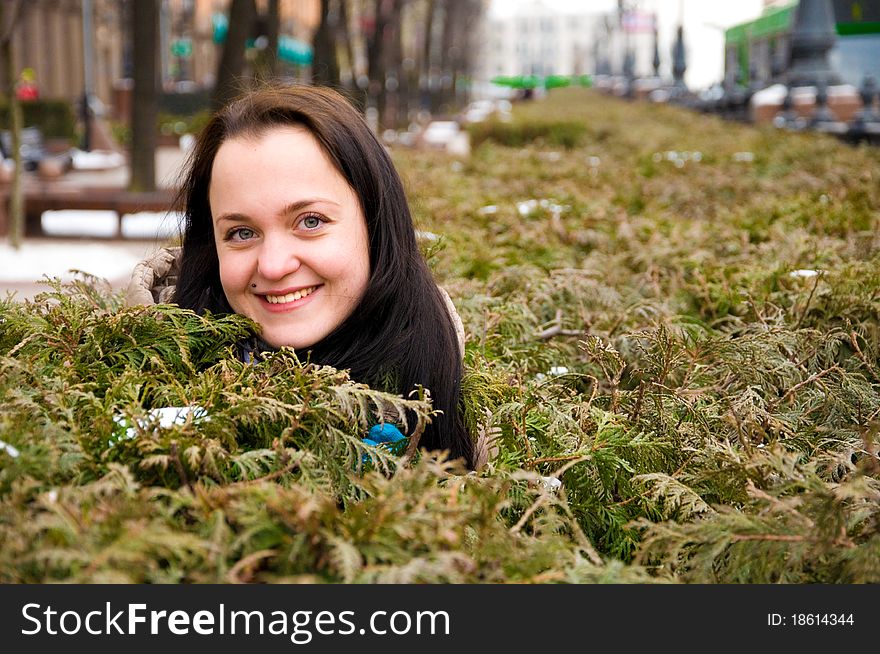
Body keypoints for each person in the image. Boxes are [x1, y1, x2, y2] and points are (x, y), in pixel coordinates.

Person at [127, 84, 474, 469]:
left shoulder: (468, 409)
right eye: (241, 233)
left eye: (310, 221)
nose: (274, 266)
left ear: (375, 225)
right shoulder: (139, 394)